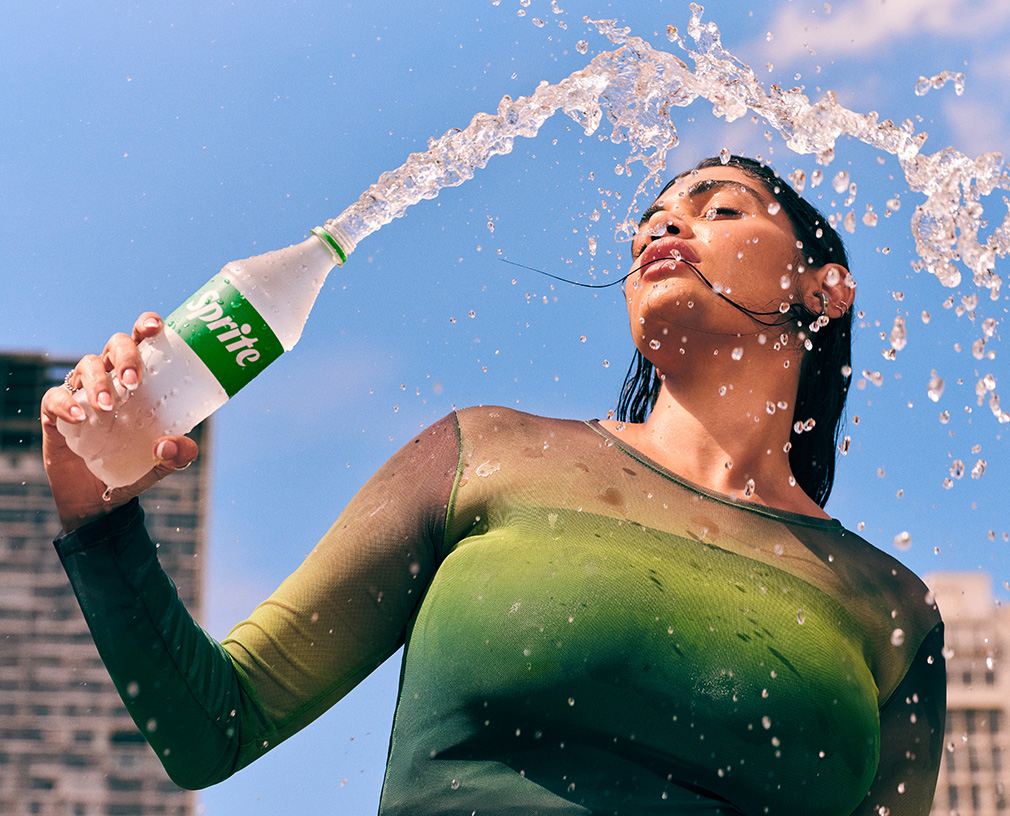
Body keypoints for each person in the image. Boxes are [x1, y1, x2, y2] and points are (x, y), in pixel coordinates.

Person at [42, 156, 945, 816]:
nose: (664, 228)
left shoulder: (891, 607)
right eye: (656, 216)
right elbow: (214, 728)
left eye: (720, 209)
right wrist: (99, 516)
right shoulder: (487, 452)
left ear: (826, 292)